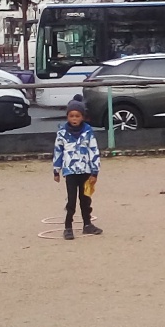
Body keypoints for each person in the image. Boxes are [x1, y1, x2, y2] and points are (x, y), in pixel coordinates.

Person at [52, 95, 102, 240]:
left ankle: (87, 224)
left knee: (85, 198)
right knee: (72, 200)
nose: (74, 119)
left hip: (86, 171)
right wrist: (56, 170)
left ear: (82, 117)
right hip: (70, 172)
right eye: (71, 116)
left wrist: (95, 171)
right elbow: (58, 152)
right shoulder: (62, 133)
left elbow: (94, 151)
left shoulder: (88, 132)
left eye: (77, 116)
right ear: (67, 117)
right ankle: (68, 227)